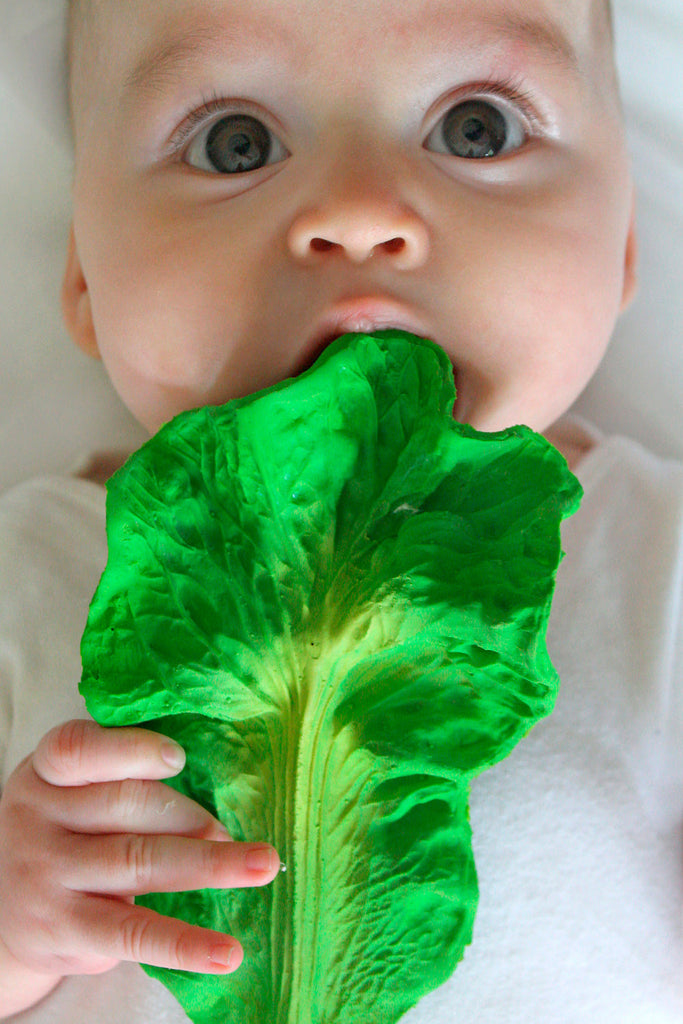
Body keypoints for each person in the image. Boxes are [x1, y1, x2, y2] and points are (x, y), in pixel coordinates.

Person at [1, 0, 681, 1021]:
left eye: (475, 129)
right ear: (85, 277)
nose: (360, 211)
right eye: (235, 143)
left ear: (623, 241)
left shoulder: (658, 561)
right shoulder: (28, 565)